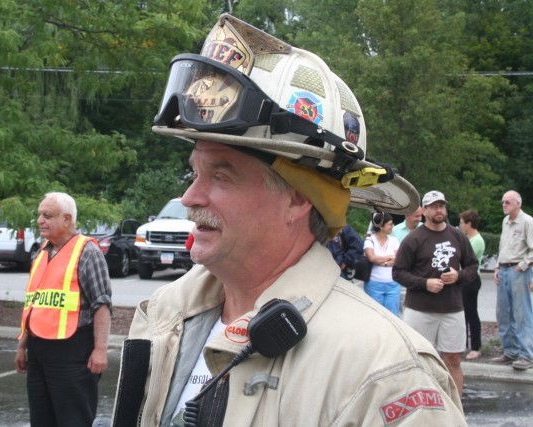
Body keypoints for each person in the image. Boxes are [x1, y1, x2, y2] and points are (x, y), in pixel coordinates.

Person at [110, 14, 466, 426]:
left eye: (221, 175)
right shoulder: (167, 314)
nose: (190, 197)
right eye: (196, 173)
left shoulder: (387, 374)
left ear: (298, 198)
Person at [14, 192, 112, 427]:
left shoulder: (87, 252)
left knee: (73, 420)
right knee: (41, 419)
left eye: (47, 215)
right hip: (39, 350)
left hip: (73, 352)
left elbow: (102, 304)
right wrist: (22, 346)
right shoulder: (43, 252)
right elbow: (33, 304)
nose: (40, 220)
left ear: (67, 219)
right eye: (39, 215)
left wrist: (100, 350)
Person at [393, 190, 479, 399]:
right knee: (418, 361)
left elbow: (472, 266)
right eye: (433, 206)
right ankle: (419, 408)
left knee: (453, 360)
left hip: (452, 308)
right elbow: (398, 272)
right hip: (420, 309)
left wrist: (457, 276)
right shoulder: (414, 238)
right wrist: (425, 283)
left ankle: (456, 411)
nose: (438, 210)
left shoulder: (457, 235)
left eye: (441, 206)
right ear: (424, 210)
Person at [491, 190, 533, 370]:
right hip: (504, 269)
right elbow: (503, 246)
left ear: (518, 204)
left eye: (507, 202)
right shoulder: (505, 222)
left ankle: (527, 355)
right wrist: (497, 267)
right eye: (503, 202)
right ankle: (510, 351)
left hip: (518, 270)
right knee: (503, 312)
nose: (504, 205)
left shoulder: (528, 222)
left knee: (522, 313)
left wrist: (522, 266)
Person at [459, 209, 485, 360]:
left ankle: (475, 347)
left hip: (471, 279)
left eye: (462, 223)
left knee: (471, 313)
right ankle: (463, 345)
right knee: (463, 314)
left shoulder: (477, 241)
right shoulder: (469, 238)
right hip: (465, 279)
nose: (461, 226)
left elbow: (464, 259)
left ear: (469, 223)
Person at [363, 212, 401, 316]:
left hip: (393, 284)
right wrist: (389, 258)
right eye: (389, 224)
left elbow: (398, 259)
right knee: (375, 316)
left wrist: (380, 261)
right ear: (381, 226)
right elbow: (371, 257)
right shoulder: (370, 240)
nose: (392, 226)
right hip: (374, 284)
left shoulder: (394, 240)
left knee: (393, 316)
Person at [392, 207, 423, 317]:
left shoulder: (425, 229)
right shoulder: (395, 231)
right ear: (407, 215)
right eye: (416, 216)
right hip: (402, 279)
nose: (419, 219)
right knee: (402, 311)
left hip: (421, 278)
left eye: (421, 216)